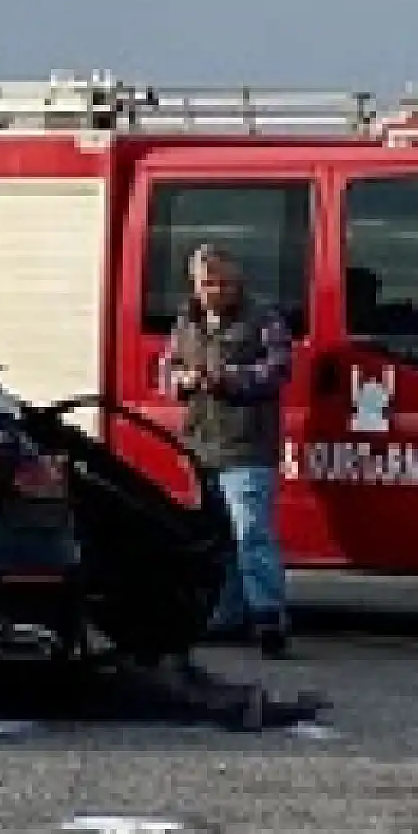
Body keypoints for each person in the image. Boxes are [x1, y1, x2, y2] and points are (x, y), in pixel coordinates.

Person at [161, 244, 295, 658]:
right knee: (218, 538)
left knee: (251, 534)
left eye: (221, 282)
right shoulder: (187, 322)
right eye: (205, 282)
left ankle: (268, 617)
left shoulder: (263, 319)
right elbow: (165, 370)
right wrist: (182, 379)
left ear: (237, 281)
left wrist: (227, 379)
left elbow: (278, 369)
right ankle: (227, 615)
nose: (213, 290)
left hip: (247, 447)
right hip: (202, 446)